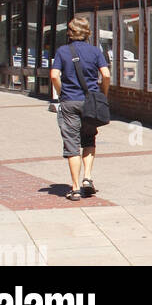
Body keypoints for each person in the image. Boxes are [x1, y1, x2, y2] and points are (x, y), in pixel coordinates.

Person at [50, 16, 110, 200]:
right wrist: (102, 93)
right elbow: (106, 75)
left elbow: (54, 75)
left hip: (69, 102)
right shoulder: (94, 51)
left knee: (72, 144)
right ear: (87, 33)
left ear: (69, 32)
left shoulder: (62, 51)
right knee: (89, 139)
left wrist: (61, 93)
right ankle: (87, 178)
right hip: (90, 101)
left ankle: (75, 188)